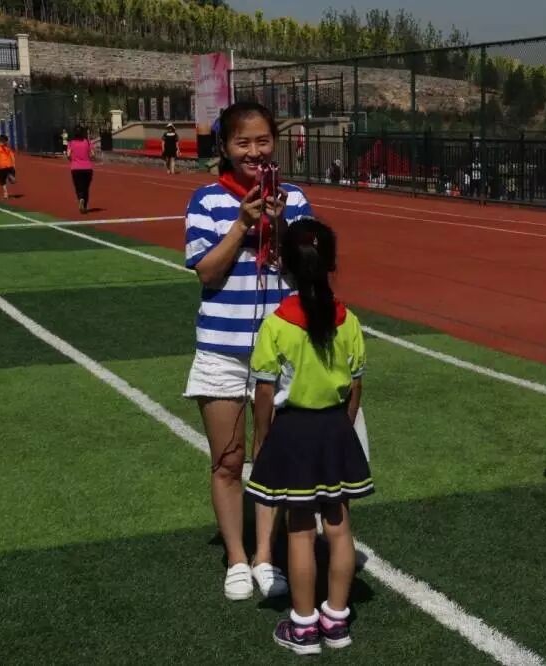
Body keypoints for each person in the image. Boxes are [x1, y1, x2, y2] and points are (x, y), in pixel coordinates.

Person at [181, 101, 308, 602]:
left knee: (271, 459)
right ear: (226, 147)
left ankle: (265, 555)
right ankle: (236, 557)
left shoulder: (295, 199)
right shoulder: (207, 200)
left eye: (262, 141)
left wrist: (279, 226)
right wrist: (241, 225)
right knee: (228, 460)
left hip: (281, 351)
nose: (254, 152)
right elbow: (207, 273)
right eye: (242, 143)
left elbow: (305, 271)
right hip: (222, 349)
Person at [246, 217, 373, 655]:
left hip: (295, 432)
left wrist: (263, 439)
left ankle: (303, 626)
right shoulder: (348, 320)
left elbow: (265, 392)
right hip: (334, 428)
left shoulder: (277, 324)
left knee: (300, 529)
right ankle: (336, 619)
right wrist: (343, 426)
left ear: (283, 264)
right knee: (338, 525)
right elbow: (355, 386)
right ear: (331, 264)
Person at [66, 126, 95, 213]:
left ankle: (81, 199)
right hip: (87, 168)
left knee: (78, 187)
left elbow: (68, 155)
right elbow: (93, 155)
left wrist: (72, 160)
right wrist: (88, 158)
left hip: (75, 168)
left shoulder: (71, 143)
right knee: (85, 187)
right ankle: (84, 205)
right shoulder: (87, 142)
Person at [0, 134, 17, 199]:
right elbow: (12, 156)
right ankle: (9, 176)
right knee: (12, 181)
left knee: (2, 181)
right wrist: (14, 164)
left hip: (1, 166)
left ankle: (5, 193)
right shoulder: (8, 148)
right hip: (10, 165)